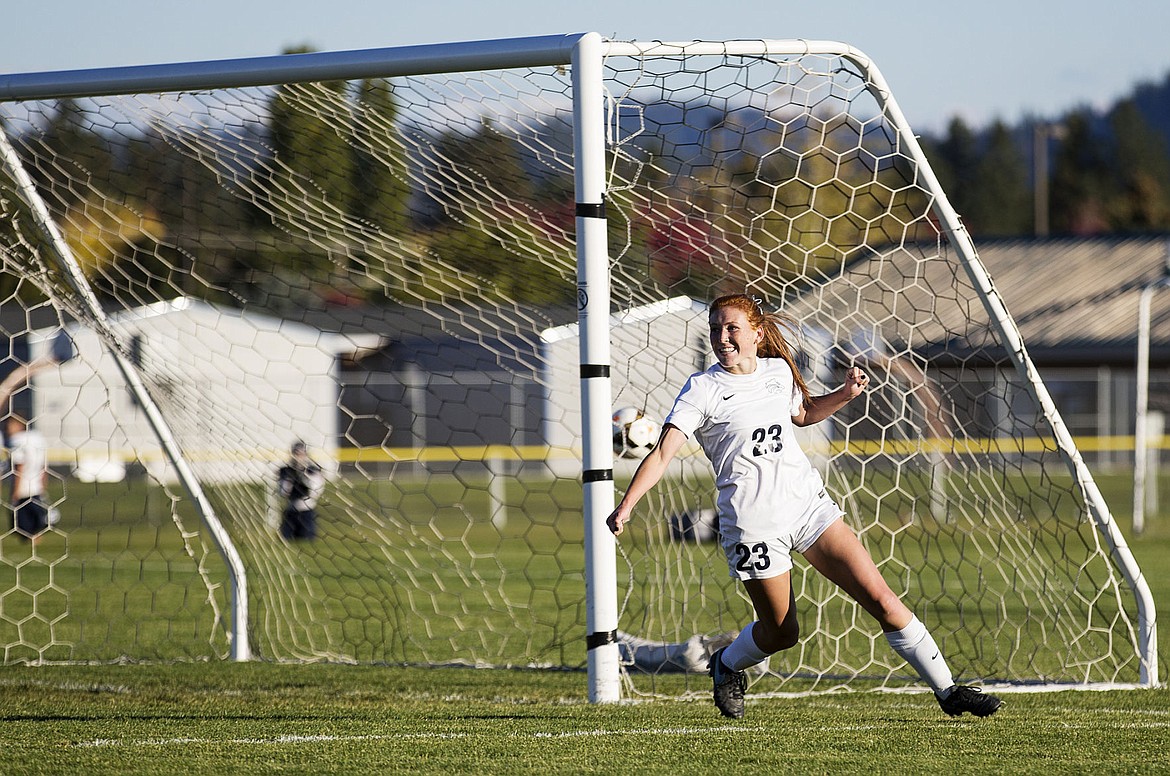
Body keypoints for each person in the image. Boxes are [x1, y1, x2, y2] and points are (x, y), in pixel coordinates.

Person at [606, 293, 1002, 720]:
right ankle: (725, 664)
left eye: (732, 327)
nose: (722, 336)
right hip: (753, 526)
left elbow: (805, 412)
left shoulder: (778, 371)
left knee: (883, 600)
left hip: (808, 508)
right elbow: (663, 454)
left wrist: (846, 393)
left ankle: (948, 692)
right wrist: (627, 505)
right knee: (781, 633)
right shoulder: (703, 389)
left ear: (756, 332)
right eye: (716, 328)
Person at [6, 415, 50, 541]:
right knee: (36, 514)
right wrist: (43, 483)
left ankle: (32, 536)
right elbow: (43, 466)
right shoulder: (36, 439)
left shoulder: (16, 441)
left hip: (23, 487)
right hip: (36, 486)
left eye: (10, 425)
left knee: (23, 520)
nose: (8, 429)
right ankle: (36, 534)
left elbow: (19, 466)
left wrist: (15, 490)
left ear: (19, 425)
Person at [277, 440, 324, 541]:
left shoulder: (312, 470)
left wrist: (304, 475)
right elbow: (283, 492)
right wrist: (291, 477)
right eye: (296, 454)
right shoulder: (286, 470)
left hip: (306, 511)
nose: (298, 457)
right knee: (286, 539)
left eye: (301, 454)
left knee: (307, 539)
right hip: (290, 510)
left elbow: (315, 491)